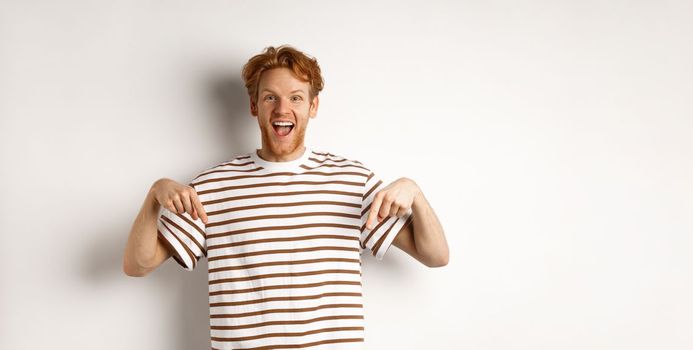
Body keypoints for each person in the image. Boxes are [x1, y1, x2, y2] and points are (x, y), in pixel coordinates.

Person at [123, 45, 449, 349]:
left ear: (313, 106)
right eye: (270, 98)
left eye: (295, 98)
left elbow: (435, 255)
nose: (283, 109)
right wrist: (154, 196)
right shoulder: (212, 187)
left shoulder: (352, 181)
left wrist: (415, 192)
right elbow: (137, 265)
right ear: (254, 105)